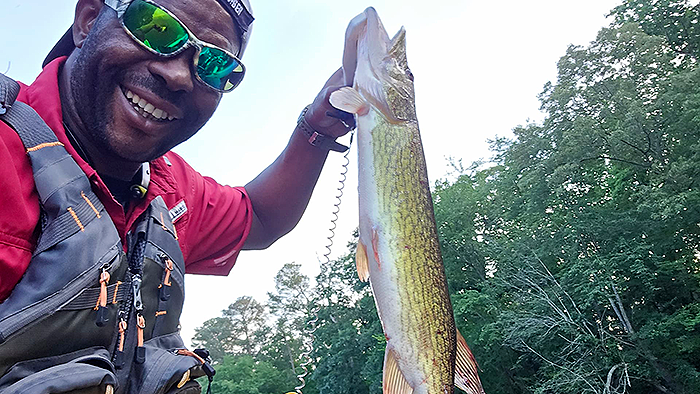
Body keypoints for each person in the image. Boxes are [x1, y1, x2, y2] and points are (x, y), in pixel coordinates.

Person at [0, 0, 354, 393]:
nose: (178, 76)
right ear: (87, 20)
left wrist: (316, 129)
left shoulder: (170, 190)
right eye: (155, 28)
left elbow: (260, 217)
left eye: (214, 65)